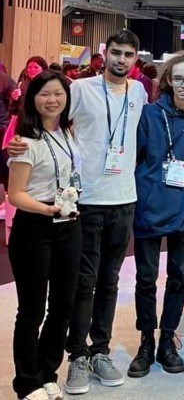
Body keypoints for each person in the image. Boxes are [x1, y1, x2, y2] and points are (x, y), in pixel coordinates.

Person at [6, 30, 149, 395]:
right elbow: (41, 125)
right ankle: (78, 354)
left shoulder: (139, 92)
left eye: (128, 54)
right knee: (79, 287)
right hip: (81, 205)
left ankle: (98, 350)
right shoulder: (80, 89)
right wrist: (14, 145)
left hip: (123, 199)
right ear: (105, 54)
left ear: (136, 59)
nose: (121, 59)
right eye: (115, 52)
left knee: (108, 282)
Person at [127, 53, 184, 378]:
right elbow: (134, 156)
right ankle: (146, 342)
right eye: (177, 78)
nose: (183, 84)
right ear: (168, 81)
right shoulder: (150, 114)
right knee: (146, 279)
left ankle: (167, 341)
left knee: (178, 279)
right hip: (148, 208)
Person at [7, 70, 82, 400]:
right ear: (32, 99)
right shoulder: (25, 141)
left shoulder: (67, 132)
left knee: (63, 306)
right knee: (32, 310)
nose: (52, 100)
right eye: (44, 94)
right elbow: (15, 194)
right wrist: (49, 208)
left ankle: (47, 371)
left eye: (58, 94)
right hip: (35, 228)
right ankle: (26, 383)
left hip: (70, 224)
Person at [4, 57, 49, 150]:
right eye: (29, 67)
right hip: (23, 126)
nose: (31, 70)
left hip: (42, 126)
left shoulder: (49, 85)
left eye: (35, 67)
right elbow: (13, 110)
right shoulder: (22, 84)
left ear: (43, 69)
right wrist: (14, 99)